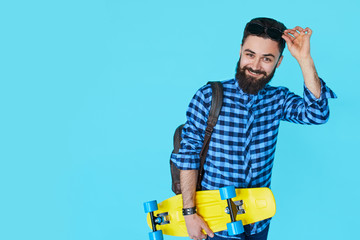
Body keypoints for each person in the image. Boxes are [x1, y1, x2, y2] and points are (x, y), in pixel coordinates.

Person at [170, 17, 336, 240]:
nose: (256, 66)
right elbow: (188, 155)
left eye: (267, 59)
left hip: (258, 223)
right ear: (240, 51)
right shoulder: (209, 96)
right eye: (250, 55)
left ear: (278, 62)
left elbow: (317, 114)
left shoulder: (278, 99)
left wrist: (305, 59)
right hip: (214, 224)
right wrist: (189, 213)